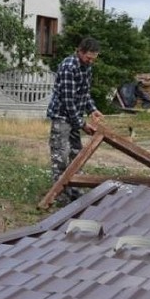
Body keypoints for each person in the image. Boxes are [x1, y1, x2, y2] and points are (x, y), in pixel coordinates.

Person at [46, 37, 104, 205]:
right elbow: (68, 100)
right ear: (80, 51)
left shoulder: (87, 67)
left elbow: (84, 94)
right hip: (62, 117)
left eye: (94, 59)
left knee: (76, 154)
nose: (91, 61)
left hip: (74, 117)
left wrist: (92, 109)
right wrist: (82, 124)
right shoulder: (68, 67)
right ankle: (59, 196)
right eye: (88, 58)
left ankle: (75, 191)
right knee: (61, 156)